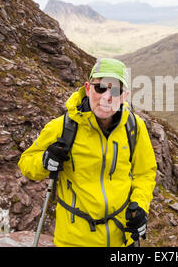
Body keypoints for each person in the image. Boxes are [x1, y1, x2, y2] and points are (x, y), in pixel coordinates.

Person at [18, 58, 157, 247]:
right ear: (88, 88)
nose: (107, 97)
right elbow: (26, 163)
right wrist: (45, 160)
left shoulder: (134, 127)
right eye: (100, 88)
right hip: (74, 240)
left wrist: (139, 207)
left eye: (115, 90)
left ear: (124, 96)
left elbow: (144, 173)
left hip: (121, 239)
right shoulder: (63, 127)